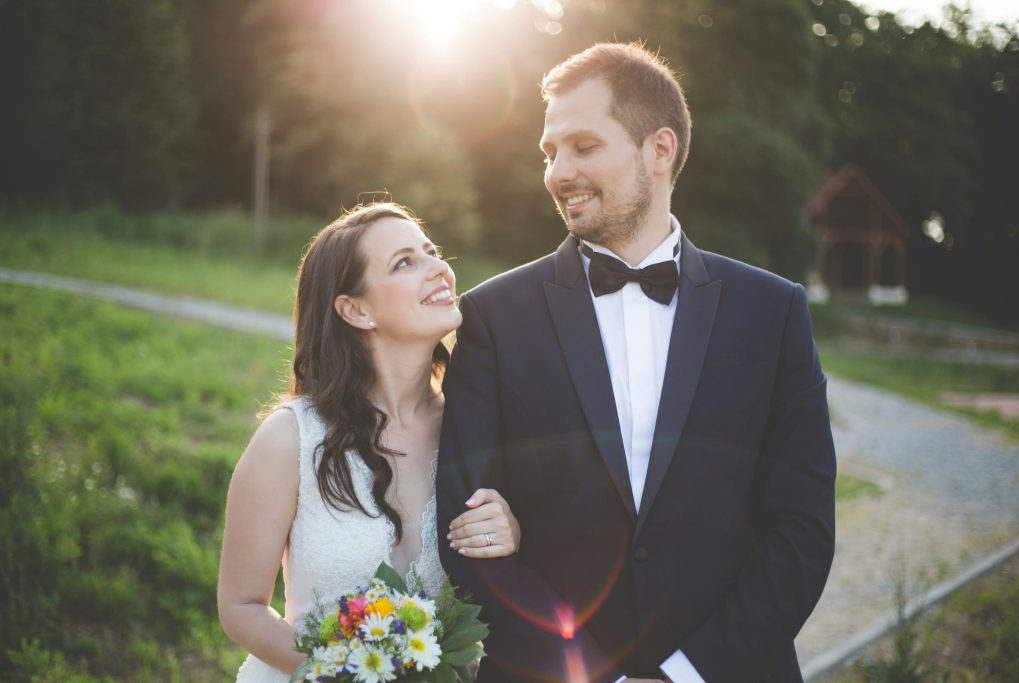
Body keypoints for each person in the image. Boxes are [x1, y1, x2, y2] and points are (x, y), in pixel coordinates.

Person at [437, 42, 836, 682]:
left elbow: (802, 528)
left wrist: (687, 675)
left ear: (660, 149)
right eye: (549, 152)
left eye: (583, 146)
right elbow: (468, 531)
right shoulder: (491, 317)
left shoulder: (772, 312)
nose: (557, 171)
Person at [218, 203, 522, 682]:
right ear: (355, 310)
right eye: (405, 262)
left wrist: (513, 534)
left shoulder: (477, 429)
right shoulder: (290, 439)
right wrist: (346, 671)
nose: (439, 269)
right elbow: (240, 606)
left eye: (431, 251)